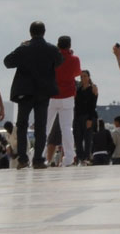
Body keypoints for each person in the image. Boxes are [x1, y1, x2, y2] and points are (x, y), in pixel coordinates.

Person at [4, 21, 62, 169]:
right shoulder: (51, 49)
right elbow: (60, 61)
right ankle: (38, 160)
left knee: (22, 125)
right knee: (41, 126)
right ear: (44, 32)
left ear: (30, 32)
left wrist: (22, 46)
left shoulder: (24, 48)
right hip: (43, 92)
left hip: (25, 92)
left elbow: (7, 62)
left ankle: (23, 159)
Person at [45, 36, 83, 166]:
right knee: (66, 128)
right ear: (69, 45)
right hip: (67, 97)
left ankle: (39, 155)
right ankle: (69, 157)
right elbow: (77, 73)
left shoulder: (52, 58)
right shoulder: (74, 59)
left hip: (52, 96)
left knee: (46, 126)